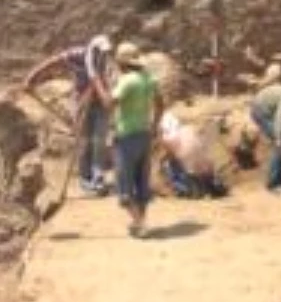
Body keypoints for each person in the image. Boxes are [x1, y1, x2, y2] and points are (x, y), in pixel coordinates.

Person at [23, 34, 114, 195]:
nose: (103, 54)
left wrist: (103, 96)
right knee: (84, 142)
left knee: (99, 141)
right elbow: (53, 62)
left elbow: (99, 81)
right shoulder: (77, 55)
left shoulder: (104, 60)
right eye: (100, 51)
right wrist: (32, 77)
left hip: (100, 104)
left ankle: (97, 180)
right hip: (81, 103)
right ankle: (86, 180)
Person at [109, 42, 164, 237]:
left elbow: (110, 102)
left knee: (124, 181)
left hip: (126, 136)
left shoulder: (127, 81)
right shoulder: (149, 79)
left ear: (121, 63)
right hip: (144, 133)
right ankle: (141, 220)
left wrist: (100, 86)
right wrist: (155, 127)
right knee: (141, 181)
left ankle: (140, 224)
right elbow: (161, 104)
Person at [158, 112, 227, 199]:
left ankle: (186, 190)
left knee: (168, 166)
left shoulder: (168, 137)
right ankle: (213, 185)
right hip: (207, 168)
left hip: (192, 172)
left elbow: (171, 155)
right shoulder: (188, 129)